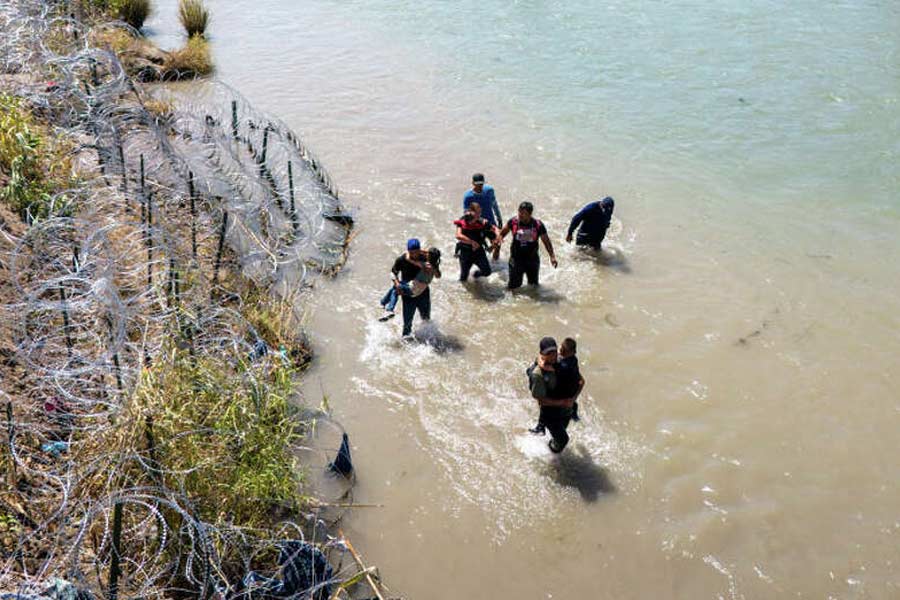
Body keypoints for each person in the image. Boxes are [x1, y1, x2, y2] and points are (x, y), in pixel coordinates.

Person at [527, 337, 575, 453]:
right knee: (563, 440)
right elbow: (541, 400)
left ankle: (552, 442)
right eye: (548, 353)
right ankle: (551, 453)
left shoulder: (561, 359)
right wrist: (562, 402)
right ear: (542, 354)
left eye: (554, 351)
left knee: (560, 433)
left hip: (566, 409)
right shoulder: (538, 375)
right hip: (551, 413)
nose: (553, 355)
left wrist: (572, 398)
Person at [497, 201, 557, 290]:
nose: (520, 215)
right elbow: (502, 233)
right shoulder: (513, 222)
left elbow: (546, 241)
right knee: (513, 287)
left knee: (533, 287)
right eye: (519, 211)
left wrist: (552, 256)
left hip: (532, 260)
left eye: (523, 213)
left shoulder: (538, 225)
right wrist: (499, 239)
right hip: (516, 259)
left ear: (530, 214)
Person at [529, 336, 584, 434]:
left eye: (563, 350)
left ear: (572, 352)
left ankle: (541, 427)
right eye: (561, 347)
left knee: (547, 402)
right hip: (572, 390)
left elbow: (544, 365)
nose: (560, 351)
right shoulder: (573, 360)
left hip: (565, 393)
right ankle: (573, 413)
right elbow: (581, 381)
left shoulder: (563, 366)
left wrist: (541, 358)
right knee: (570, 405)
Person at [390, 240, 441, 337]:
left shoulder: (427, 258)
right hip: (408, 295)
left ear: (420, 250)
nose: (414, 254)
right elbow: (393, 273)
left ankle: (428, 338)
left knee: (426, 318)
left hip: (423, 293)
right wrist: (396, 283)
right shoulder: (402, 259)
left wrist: (434, 269)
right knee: (407, 323)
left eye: (416, 251)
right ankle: (406, 340)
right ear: (408, 250)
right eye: (411, 252)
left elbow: (438, 275)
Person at [379, 248, 441, 320]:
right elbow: (438, 276)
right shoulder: (435, 267)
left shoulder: (425, 265)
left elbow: (409, 259)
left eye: (427, 253)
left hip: (412, 289)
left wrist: (410, 252)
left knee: (396, 288)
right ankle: (383, 303)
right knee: (395, 287)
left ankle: (389, 309)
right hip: (420, 290)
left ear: (429, 256)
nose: (425, 253)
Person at [454, 202, 499, 282]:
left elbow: (494, 230)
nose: (478, 215)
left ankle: (476, 275)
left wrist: (496, 241)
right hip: (465, 252)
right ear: (470, 211)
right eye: (476, 213)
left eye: (480, 212)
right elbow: (458, 235)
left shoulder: (483, 222)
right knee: (463, 278)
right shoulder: (463, 220)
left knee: (487, 272)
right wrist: (472, 242)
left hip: (478, 252)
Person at [463, 173, 503, 260]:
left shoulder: (489, 191)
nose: (479, 186)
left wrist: (499, 218)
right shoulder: (468, 196)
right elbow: (466, 213)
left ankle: (495, 264)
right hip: (476, 226)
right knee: (476, 248)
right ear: (473, 183)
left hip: (490, 222)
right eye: (477, 184)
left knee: (498, 244)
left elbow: (494, 205)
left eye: (481, 184)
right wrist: (480, 220)